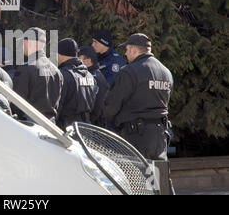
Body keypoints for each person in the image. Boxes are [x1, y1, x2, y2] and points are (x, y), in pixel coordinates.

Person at [104, 33, 173, 161]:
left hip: (135, 136)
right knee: (158, 176)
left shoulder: (129, 72)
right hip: (160, 136)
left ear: (134, 50)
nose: (125, 54)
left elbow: (112, 106)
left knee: (135, 178)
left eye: (127, 50)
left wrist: (113, 123)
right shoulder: (166, 72)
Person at [11, 27, 63, 123]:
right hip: (50, 125)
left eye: (23, 41)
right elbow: (57, 104)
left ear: (29, 42)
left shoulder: (26, 68)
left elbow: (16, 103)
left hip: (29, 125)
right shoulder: (57, 71)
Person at [56, 39, 97, 131]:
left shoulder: (63, 75)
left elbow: (57, 106)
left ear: (60, 54)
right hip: (86, 128)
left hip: (66, 130)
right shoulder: (89, 75)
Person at [78, 46, 109, 128]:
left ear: (88, 60)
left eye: (79, 59)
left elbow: (99, 104)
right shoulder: (88, 75)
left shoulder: (96, 78)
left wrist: (89, 122)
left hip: (94, 126)